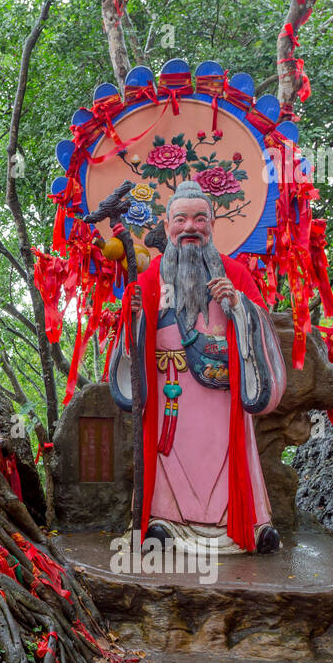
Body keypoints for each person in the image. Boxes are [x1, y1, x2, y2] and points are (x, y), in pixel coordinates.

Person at [109, 180, 288, 555]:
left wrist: (238, 306)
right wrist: (134, 314)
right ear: (167, 224)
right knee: (168, 452)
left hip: (222, 392)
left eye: (200, 219)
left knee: (227, 453)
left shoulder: (235, 273)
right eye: (181, 219)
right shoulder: (151, 274)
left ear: (212, 224)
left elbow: (261, 327)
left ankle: (248, 526)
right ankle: (164, 522)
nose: (190, 227)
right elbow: (129, 332)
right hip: (168, 388)